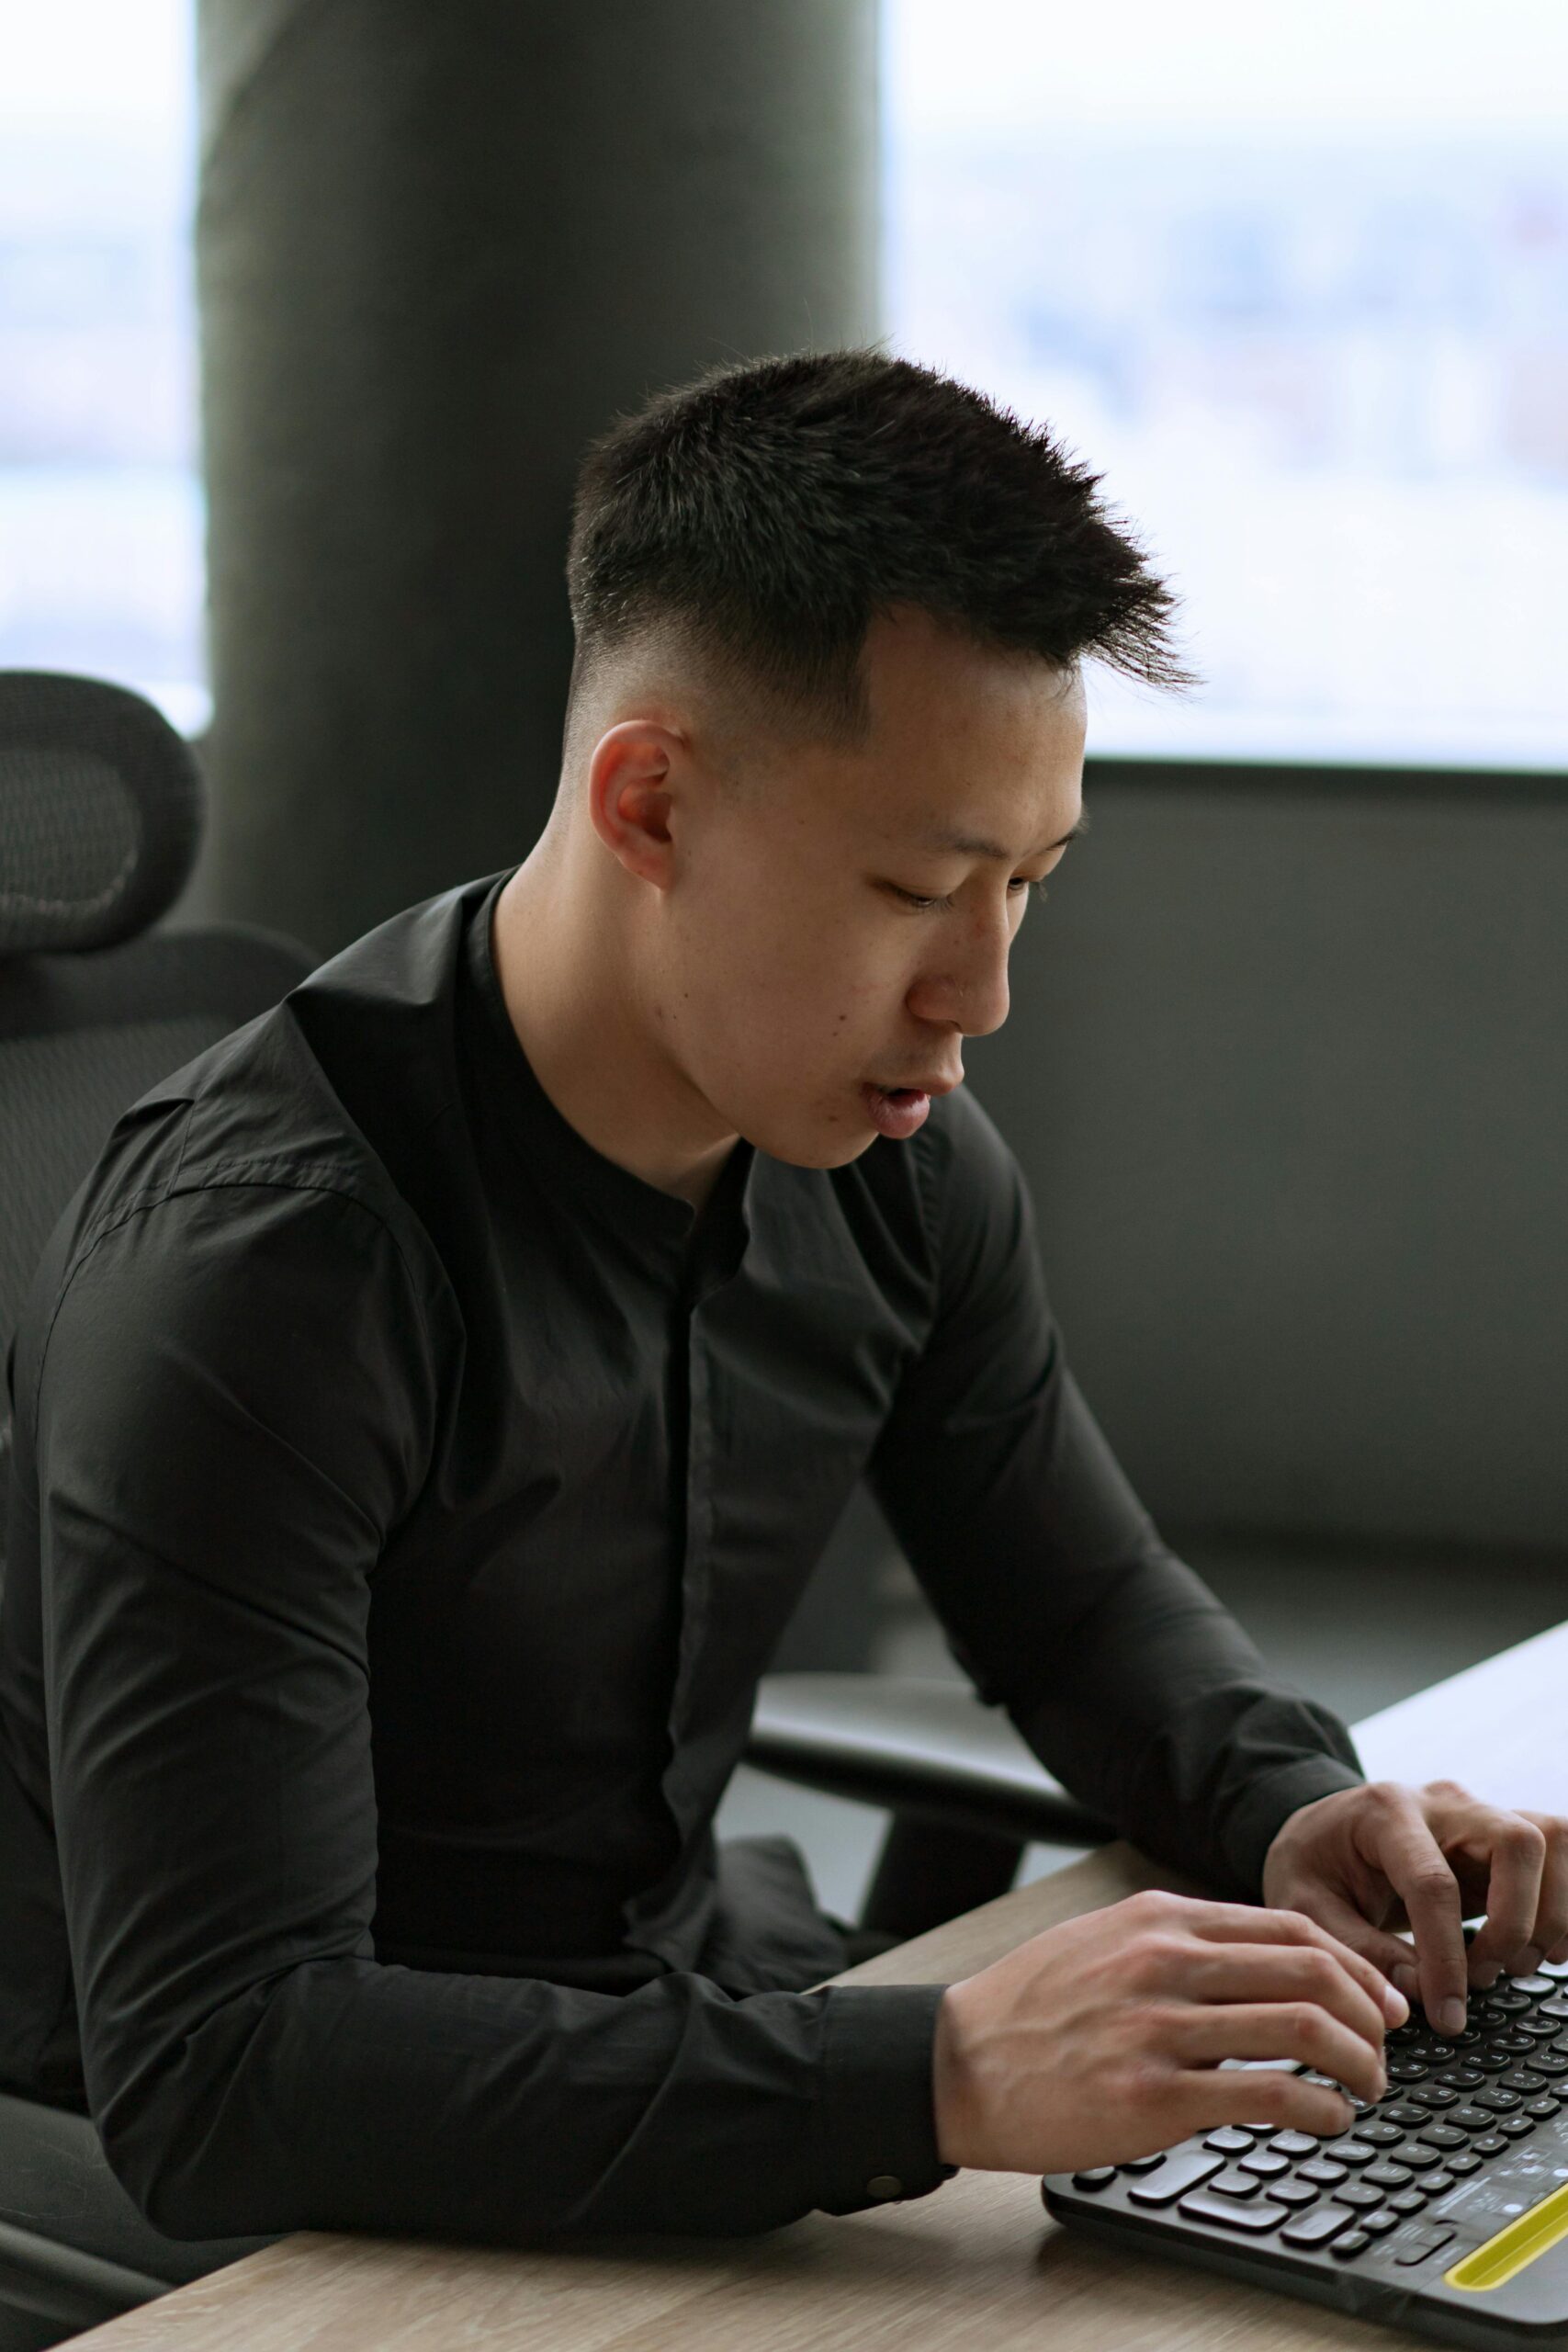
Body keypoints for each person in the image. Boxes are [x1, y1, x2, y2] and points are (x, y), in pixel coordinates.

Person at [2, 350, 1563, 2250]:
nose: (977, 995)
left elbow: (1073, 1598)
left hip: (680, 2020)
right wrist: (931, 2075)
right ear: (649, 798)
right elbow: (228, 2068)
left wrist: (1289, 1803)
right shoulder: (266, 1272)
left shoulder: (893, 1161)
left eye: (1028, 881)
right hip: (262, 2177)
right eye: (917, 884)